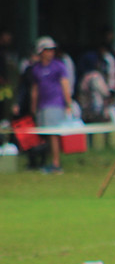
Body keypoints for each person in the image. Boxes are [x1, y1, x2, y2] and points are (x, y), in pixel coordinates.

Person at [30, 36, 73, 174]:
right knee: (47, 135)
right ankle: (50, 161)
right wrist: (33, 106)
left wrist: (68, 103)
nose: (50, 53)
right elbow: (35, 89)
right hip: (42, 105)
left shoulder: (58, 65)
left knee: (54, 134)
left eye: (52, 50)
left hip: (55, 103)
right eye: (47, 50)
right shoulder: (36, 69)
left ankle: (56, 163)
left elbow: (65, 85)